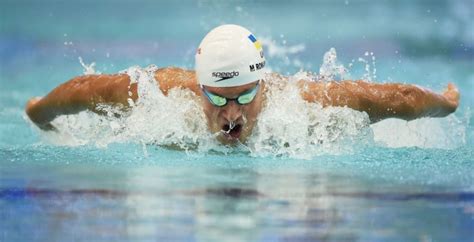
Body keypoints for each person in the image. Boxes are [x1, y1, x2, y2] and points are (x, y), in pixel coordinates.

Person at [25, 24, 460, 145]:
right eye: (216, 97)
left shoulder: (303, 105)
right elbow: (85, 89)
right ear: (198, 88)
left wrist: (448, 103)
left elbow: (399, 99)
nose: (231, 114)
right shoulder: (162, 95)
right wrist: (39, 112)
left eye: (245, 97)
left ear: (263, 86)